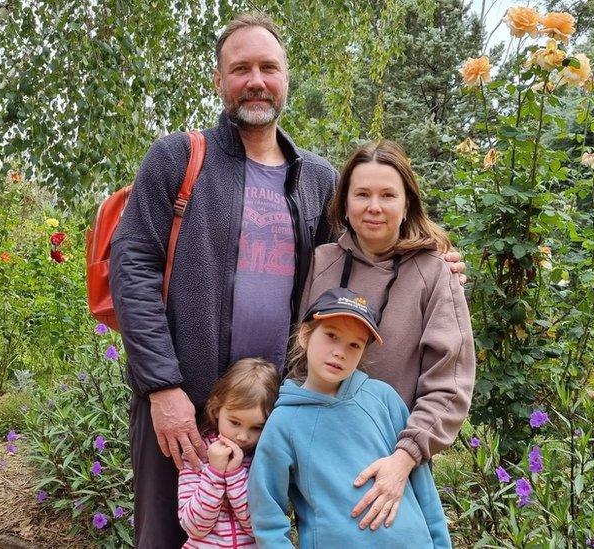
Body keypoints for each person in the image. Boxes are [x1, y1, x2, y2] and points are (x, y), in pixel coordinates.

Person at [110, 13, 467, 546]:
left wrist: (431, 250)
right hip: (188, 404)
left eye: (268, 67)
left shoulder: (318, 179)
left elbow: (364, 247)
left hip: (279, 414)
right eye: (241, 68)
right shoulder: (178, 159)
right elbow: (132, 267)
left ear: (286, 77)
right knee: (168, 535)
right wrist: (162, 387)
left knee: (267, 535)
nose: (256, 79)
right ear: (219, 79)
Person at [299, 140, 476, 532]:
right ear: (343, 203)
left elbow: (450, 385)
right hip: (322, 462)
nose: (373, 207)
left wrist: (403, 460)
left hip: (393, 465)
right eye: (361, 194)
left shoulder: (435, 272)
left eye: (387, 195)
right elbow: (298, 357)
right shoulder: (322, 262)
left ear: (407, 202)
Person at [248, 287, 452, 548]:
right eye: (331, 336)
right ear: (305, 335)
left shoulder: (384, 398)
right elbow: (266, 512)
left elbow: (423, 485)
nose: (340, 352)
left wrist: (441, 543)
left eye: (354, 344)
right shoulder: (284, 422)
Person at [177, 358, 279, 548]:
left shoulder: (262, 459)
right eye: (235, 422)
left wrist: (235, 475)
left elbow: (258, 526)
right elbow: (194, 527)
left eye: (256, 427)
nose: (242, 436)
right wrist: (214, 473)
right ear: (216, 409)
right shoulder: (197, 455)